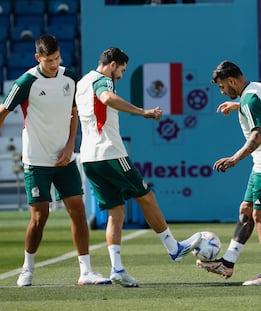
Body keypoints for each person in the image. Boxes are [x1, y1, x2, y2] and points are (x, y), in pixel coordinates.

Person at [75, 47, 201, 287]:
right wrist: (142, 112)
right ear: (112, 65)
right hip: (110, 153)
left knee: (116, 211)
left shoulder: (82, 82)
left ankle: (117, 268)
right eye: (121, 70)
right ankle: (174, 248)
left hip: (89, 158)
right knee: (146, 196)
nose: (121, 76)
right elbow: (106, 98)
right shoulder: (103, 81)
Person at [0, 34, 110, 287]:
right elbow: (3, 111)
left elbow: (74, 114)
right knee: (40, 217)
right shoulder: (26, 81)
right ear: (37, 57)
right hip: (36, 160)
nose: (54, 64)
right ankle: (27, 268)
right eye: (49, 60)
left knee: (79, 211)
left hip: (65, 159)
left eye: (57, 58)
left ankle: (86, 271)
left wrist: (70, 145)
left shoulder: (70, 77)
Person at [196, 60, 261, 285]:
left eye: (222, 87)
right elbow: (258, 108)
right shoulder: (256, 89)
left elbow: (259, 133)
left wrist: (234, 159)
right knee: (247, 210)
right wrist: (237, 106)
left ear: (231, 81)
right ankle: (227, 263)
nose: (222, 91)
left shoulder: (248, 99)